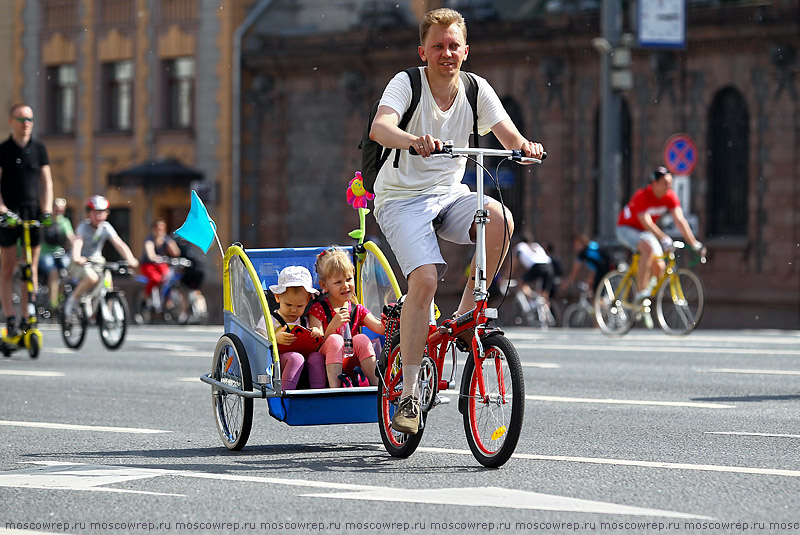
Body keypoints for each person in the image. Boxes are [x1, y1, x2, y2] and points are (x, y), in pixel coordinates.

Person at [369, 7, 545, 434]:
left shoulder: (474, 89)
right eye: (438, 47)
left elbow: (506, 133)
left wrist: (526, 146)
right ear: (423, 51)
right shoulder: (406, 83)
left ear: (465, 50)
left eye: (453, 46)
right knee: (425, 280)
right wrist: (414, 141)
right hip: (401, 198)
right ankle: (409, 395)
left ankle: (467, 318)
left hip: (449, 194)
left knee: (501, 219)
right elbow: (380, 128)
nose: (446, 54)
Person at [0, 104, 54, 337]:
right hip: (9, 214)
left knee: (30, 268)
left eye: (30, 119)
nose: (26, 123)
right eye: (21, 119)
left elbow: (46, 183)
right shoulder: (3, 150)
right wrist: (2, 211)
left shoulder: (39, 149)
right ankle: (10, 316)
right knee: (9, 267)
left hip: (32, 211)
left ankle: (27, 315)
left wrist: (47, 210)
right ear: (11, 121)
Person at [616, 166, 704, 301]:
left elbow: (680, 221)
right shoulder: (642, 195)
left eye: (670, 183)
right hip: (625, 229)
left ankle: (647, 296)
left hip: (644, 232)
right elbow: (646, 222)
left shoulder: (670, 196)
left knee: (660, 265)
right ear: (654, 184)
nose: (669, 186)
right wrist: (663, 237)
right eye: (665, 183)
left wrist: (694, 243)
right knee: (648, 249)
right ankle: (640, 293)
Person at [309, 247, 384, 388]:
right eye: (338, 282)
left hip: (351, 361)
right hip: (327, 362)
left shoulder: (357, 309)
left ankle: (377, 386)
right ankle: (335, 389)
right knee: (335, 340)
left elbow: (380, 328)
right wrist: (332, 326)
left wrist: (391, 317)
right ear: (324, 286)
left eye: (349, 279)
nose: (345, 286)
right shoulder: (318, 310)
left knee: (361, 339)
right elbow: (315, 342)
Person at [64, 195, 139, 318]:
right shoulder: (83, 227)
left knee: (107, 282)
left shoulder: (106, 227)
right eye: (95, 212)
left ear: (107, 213)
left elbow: (119, 244)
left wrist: (130, 258)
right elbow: (78, 242)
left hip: (97, 261)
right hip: (80, 261)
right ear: (88, 214)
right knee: (92, 278)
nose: (99, 216)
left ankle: (107, 313)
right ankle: (73, 301)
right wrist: (77, 257)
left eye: (102, 212)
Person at [255, 266, 326, 390]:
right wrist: (274, 339)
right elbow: (257, 343)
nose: (293, 310)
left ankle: (318, 392)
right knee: (296, 358)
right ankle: (286, 395)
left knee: (317, 357)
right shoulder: (269, 320)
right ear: (277, 297)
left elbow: (315, 343)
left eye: (300, 306)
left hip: (303, 364)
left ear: (308, 300)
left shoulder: (305, 321)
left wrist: (315, 333)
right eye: (288, 305)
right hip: (275, 365)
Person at [38, 197, 75, 311]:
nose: (59, 212)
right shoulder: (45, 220)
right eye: (57, 209)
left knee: (67, 270)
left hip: (59, 253)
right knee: (53, 271)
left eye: (62, 210)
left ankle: (61, 297)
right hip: (44, 253)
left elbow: (71, 237)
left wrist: (76, 249)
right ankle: (52, 303)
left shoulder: (64, 221)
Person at [140, 219, 180, 310]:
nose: (160, 231)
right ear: (154, 229)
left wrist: (172, 245)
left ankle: (167, 299)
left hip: (160, 264)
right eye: (158, 229)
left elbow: (176, 252)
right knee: (155, 279)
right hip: (148, 265)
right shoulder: (149, 240)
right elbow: (150, 252)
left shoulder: (166, 239)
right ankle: (145, 297)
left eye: (162, 229)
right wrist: (154, 257)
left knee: (169, 277)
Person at [512, 235, 555, 305]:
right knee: (544, 296)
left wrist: (505, 277)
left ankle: (532, 301)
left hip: (537, 266)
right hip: (549, 266)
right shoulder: (536, 245)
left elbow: (512, 266)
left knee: (521, 283)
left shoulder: (519, 246)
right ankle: (545, 309)